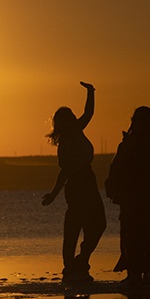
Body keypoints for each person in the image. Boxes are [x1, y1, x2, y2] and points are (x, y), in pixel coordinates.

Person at [42, 82, 106, 283]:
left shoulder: (79, 129)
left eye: (71, 116)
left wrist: (90, 92)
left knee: (98, 225)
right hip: (77, 185)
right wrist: (53, 194)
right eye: (67, 118)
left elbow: (89, 112)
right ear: (61, 124)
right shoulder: (64, 145)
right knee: (73, 227)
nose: (72, 120)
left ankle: (81, 262)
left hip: (89, 180)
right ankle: (71, 269)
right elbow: (65, 173)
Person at [105, 106, 150, 289]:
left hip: (149, 199)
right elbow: (117, 169)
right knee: (132, 239)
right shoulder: (136, 144)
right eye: (137, 121)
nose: (139, 125)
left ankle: (149, 277)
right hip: (134, 199)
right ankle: (137, 276)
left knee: (146, 240)